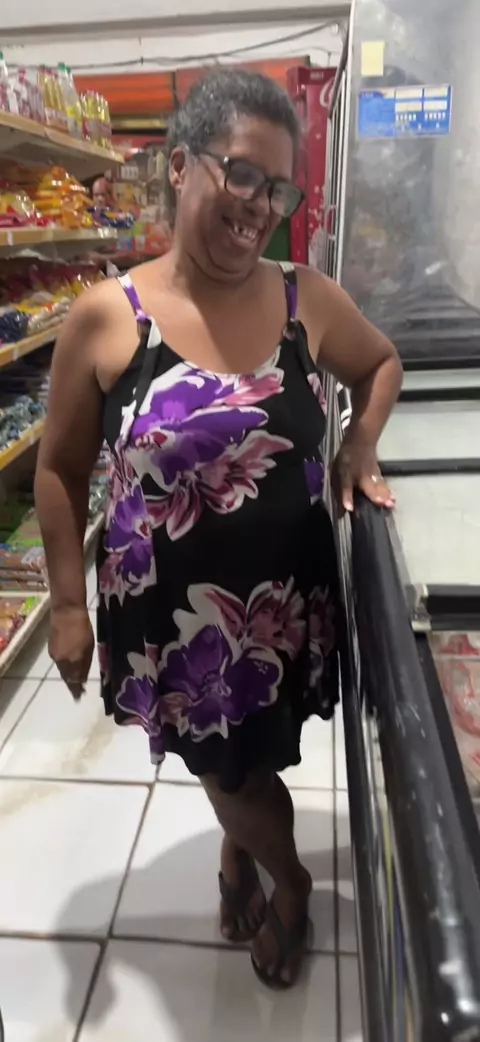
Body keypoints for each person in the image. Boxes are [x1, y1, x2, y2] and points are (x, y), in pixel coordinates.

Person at [35, 68, 402, 990]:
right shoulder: (106, 317)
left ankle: (240, 852)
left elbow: (381, 363)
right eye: (241, 174)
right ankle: (292, 883)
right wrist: (67, 608)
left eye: (277, 189)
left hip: (283, 608)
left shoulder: (304, 298)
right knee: (226, 768)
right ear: (178, 166)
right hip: (173, 623)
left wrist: (359, 442)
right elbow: (59, 469)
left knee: (247, 759)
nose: (259, 207)